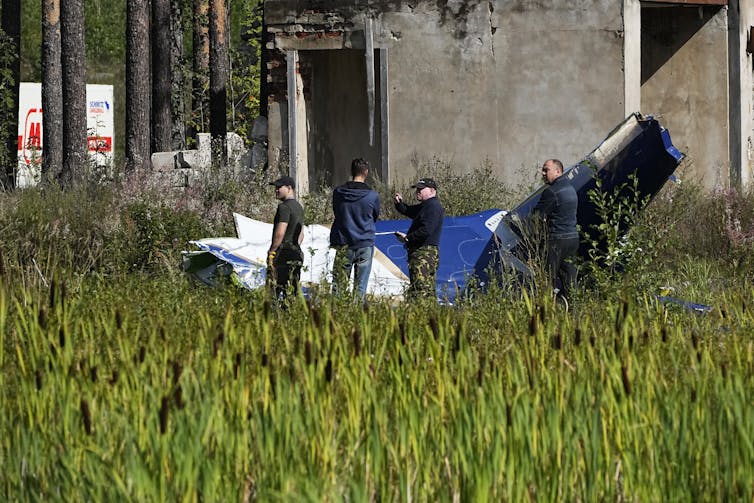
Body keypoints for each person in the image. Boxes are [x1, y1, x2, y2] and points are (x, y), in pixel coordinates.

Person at [330, 158, 381, 299]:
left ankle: (337, 316)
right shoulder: (372, 196)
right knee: (360, 287)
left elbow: (336, 212)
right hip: (364, 243)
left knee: (338, 286)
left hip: (343, 242)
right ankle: (357, 316)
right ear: (366, 172)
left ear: (351, 171)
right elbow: (374, 216)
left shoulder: (339, 192)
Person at [532, 159, 579, 298]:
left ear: (558, 171)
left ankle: (546, 309)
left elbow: (536, 216)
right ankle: (573, 310)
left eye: (546, 170)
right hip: (573, 239)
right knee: (570, 278)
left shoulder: (552, 192)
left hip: (557, 240)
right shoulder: (571, 189)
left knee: (547, 278)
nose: (543, 173)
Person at [393, 178, 444, 300]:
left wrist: (408, 238)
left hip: (424, 253)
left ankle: (420, 315)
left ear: (432, 191)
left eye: (421, 189)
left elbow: (426, 230)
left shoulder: (432, 207)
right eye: (417, 189)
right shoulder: (426, 206)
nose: (418, 191)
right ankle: (429, 315)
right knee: (427, 290)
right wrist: (399, 204)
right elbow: (409, 211)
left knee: (420, 290)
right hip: (424, 253)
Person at [267, 176, 305, 301]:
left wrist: (272, 251)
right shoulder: (299, 207)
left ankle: (273, 318)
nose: (276, 190)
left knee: (274, 290)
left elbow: (280, 233)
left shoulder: (284, 207)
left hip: (283, 254)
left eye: (279, 187)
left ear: (289, 188)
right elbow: (301, 234)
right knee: (292, 292)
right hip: (296, 253)